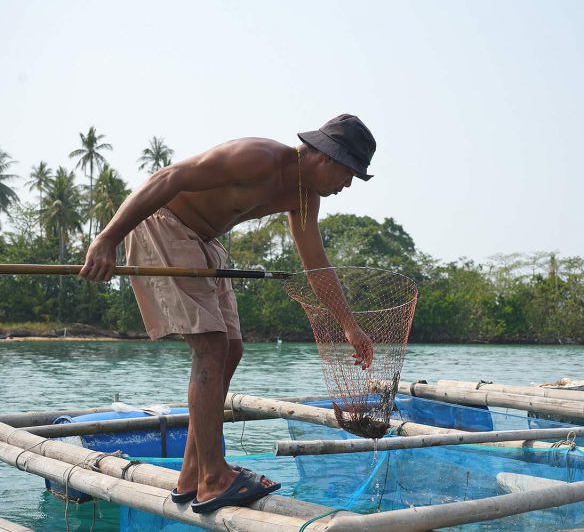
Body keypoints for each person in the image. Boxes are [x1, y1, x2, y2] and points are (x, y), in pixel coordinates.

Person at [80, 114, 377, 513]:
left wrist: (349, 324)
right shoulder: (260, 157)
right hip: (164, 225)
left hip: (204, 241)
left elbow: (316, 266)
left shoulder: (306, 198)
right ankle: (213, 477)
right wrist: (107, 238)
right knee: (211, 348)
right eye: (347, 174)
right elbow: (167, 177)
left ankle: (193, 473)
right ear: (327, 157)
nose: (346, 186)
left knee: (231, 348)